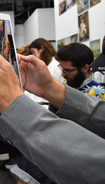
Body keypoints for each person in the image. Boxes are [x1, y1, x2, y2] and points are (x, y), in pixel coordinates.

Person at [0, 52, 105, 184]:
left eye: (67, 70)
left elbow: (96, 166)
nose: (62, 74)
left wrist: (10, 102)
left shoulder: (95, 90)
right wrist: (49, 88)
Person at [11, 43, 105, 184]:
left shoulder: (96, 94)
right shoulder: (72, 86)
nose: (62, 74)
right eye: (61, 69)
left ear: (85, 68)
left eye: (67, 70)